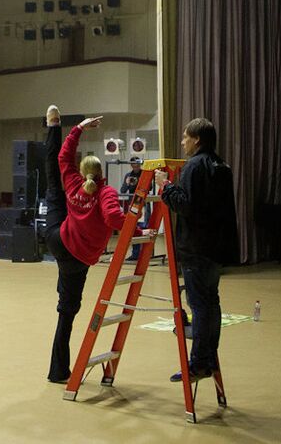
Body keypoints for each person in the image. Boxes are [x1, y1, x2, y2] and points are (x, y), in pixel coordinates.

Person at [43, 105, 148, 384]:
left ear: (81, 171)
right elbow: (114, 217)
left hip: (57, 238)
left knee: (55, 185)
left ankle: (53, 126)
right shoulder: (106, 192)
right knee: (66, 312)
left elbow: (63, 157)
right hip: (76, 258)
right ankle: (57, 371)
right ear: (102, 173)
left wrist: (77, 128)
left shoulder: (75, 183)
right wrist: (139, 229)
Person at [155, 118, 238, 383]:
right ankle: (209, 357)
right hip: (216, 248)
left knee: (201, 307)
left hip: (196, 248)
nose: (182, 142)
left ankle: (199, 363)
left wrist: (165, 186)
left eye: (185, 137)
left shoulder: (194, 166)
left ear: (197, 139)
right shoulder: (221, 165)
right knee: (211, 305)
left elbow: (185, 205)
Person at [121, 156, 146, 261]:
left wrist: (141, 182)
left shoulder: (144, 174)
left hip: (143, 202)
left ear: (140, 164)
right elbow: (122, 190)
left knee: (143, 227)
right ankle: (135, 254)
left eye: (137, 164)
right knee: (133, 228)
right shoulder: (128, 175)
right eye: (133, 164)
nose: (135, 166)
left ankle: (143, 254)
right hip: (132, 203)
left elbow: (150, 188)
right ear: (131, 165)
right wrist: (127, 183)